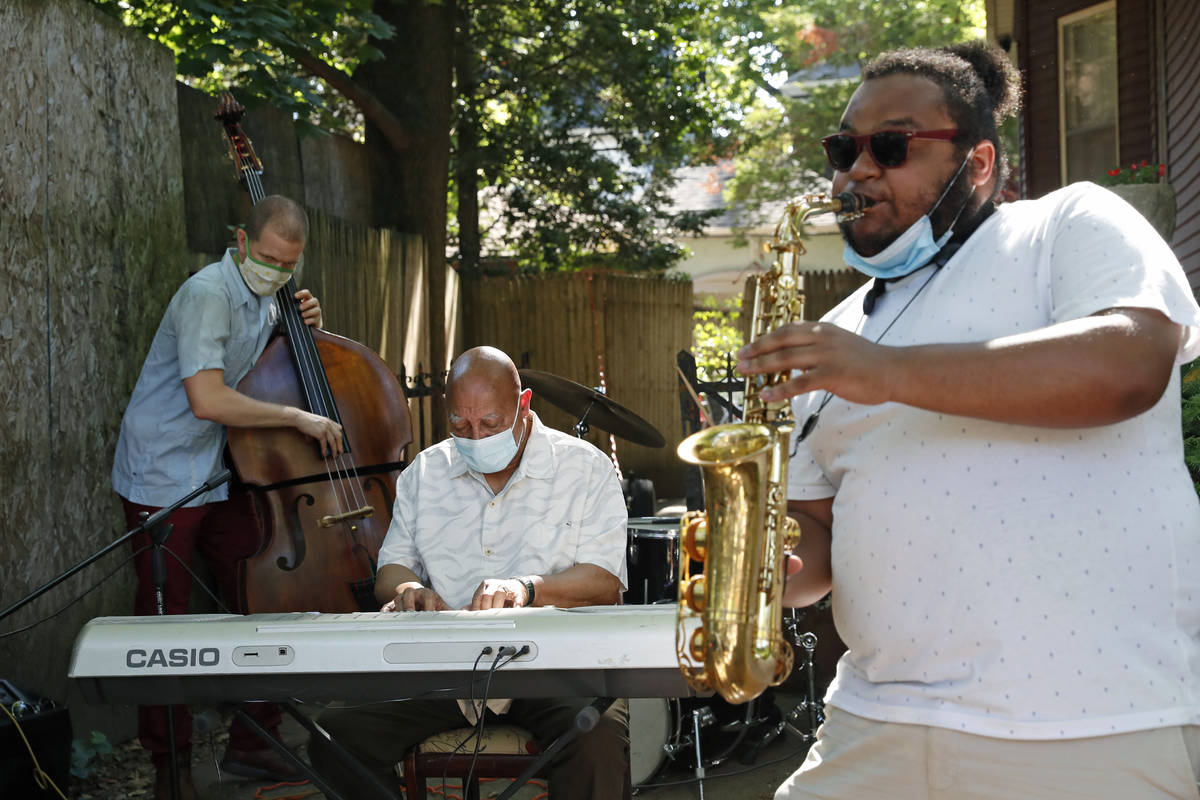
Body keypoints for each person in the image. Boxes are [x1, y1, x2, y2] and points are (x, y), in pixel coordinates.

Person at [735, 41, 1200, 799]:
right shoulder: (839, 331)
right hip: (873, 723)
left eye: (891, 146)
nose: (857, 170)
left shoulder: (1066, 226)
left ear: (978, 163)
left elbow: (1130, 366)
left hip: (1093, 725)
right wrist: (770, 558)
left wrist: (883, 374)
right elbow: (817, 542)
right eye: (843, 148)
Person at [309, 345, 632, 800]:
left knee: (596, 738)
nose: (475, 437)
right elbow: (392, 567)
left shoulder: (585, 468)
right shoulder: (426, 471)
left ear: (524, 405)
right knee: (334, 737)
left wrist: (526, 588)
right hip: (444, 664)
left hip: (556, 664)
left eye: (490, 424)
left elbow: (604, 583)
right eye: (460, 425)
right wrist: (408, 588)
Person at [111, 195, 344, 800]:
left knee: (260, 582)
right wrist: (296, 418)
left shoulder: (269, 299)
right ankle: (170, 768)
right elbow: (209, 401)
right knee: (164, 623)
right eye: (266, 258)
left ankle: (253, 745)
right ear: (241, 239)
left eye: (287, 266)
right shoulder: (208, 293)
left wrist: (302, 324)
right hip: (162, 473)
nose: (274, 271)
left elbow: (263, 368)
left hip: (216, 472)